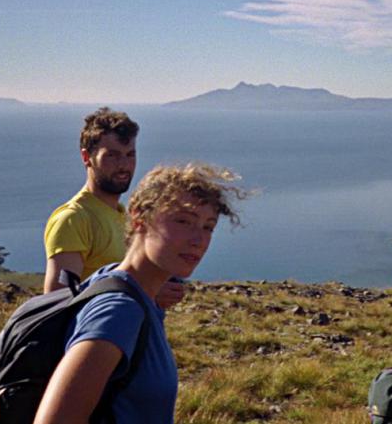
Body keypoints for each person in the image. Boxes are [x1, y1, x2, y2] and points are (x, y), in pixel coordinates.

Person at [34, 163, 244, 423]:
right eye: (183, 221)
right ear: (139, 219)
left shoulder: (126, 288)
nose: (198, 240)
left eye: (208, 227)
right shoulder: (118, 311)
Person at [42, 107, 182, 308]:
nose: (124, 165)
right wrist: (146, 291)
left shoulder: (123, 216)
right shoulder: (74, 218)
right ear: (86, 157)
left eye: (130, 154)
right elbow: (57, 302)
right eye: (112, 155)